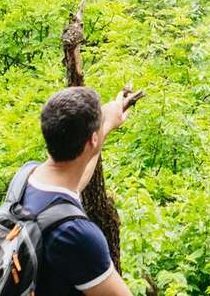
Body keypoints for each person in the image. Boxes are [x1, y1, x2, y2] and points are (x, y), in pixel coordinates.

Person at [24, 86, 141, 296]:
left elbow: (74, 181)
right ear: (91, 140)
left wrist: (103, 127)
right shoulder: (76, 234)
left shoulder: (26, 178)